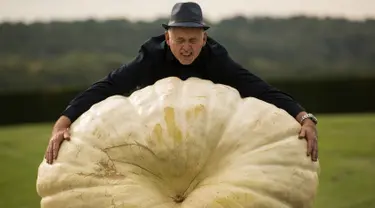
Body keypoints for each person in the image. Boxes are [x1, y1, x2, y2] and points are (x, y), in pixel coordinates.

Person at [45, 2, 318, 164]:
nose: (186, 48)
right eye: (180, 40)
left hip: (205, 139)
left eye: (192, 41)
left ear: (203, 39)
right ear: (167, 39)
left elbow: (258, 88)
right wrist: (64, 121)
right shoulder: (150, 57)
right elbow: (109, 85)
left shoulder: (216, 59)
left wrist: (303, 116)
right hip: (154, 135)